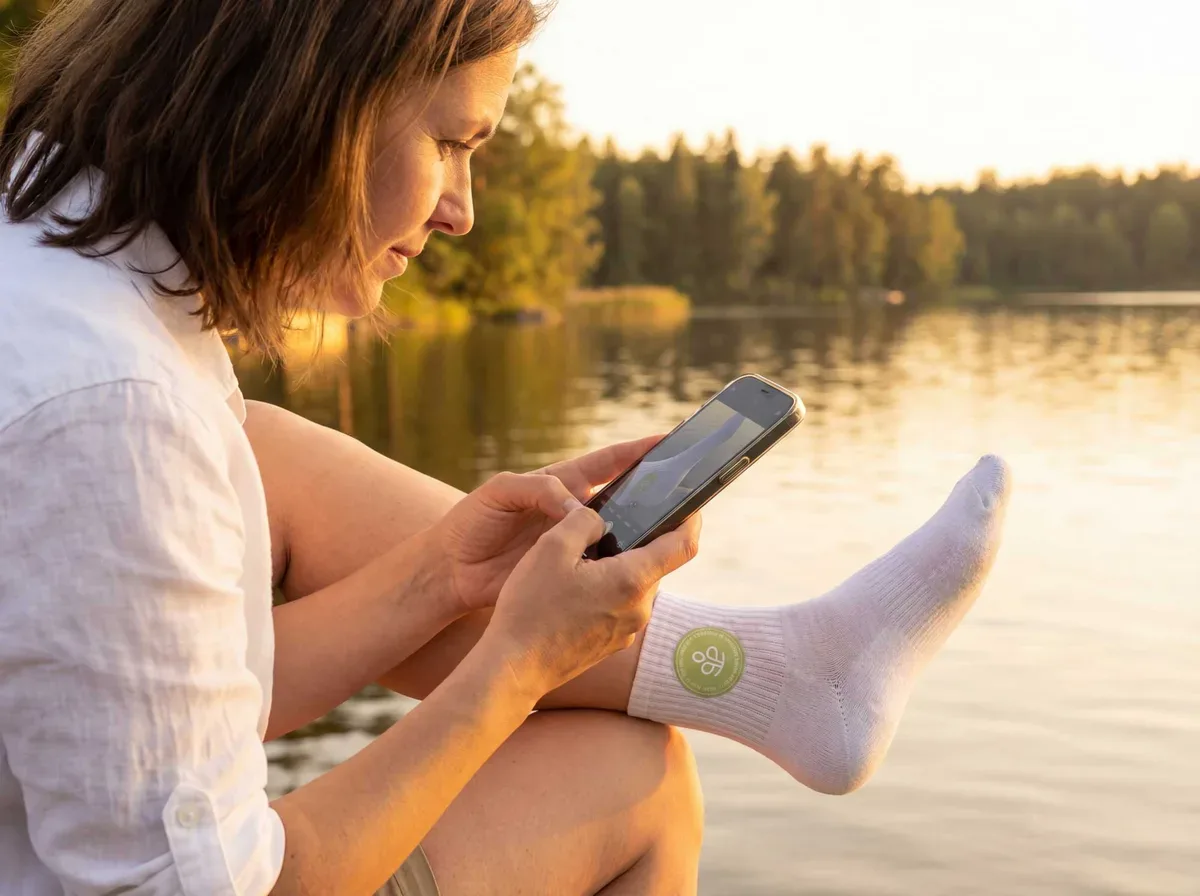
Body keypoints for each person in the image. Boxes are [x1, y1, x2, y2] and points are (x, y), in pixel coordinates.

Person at [0, 1, 1012, 894]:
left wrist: (443, 576)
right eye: (452, 141)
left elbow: (182, 698)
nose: (462, 208)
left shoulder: (62, 260)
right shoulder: (116, 409)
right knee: (635, 782)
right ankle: (776, 672)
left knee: (263, 450)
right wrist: (516, 666)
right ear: (315, 99)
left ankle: (775, 671)